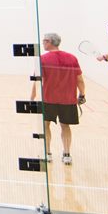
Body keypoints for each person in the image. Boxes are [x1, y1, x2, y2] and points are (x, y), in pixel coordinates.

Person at [30, 33, 85, 165]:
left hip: (49, 99)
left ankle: (47, 154)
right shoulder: (72, 58)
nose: (43, 43)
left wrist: (32, 98)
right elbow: (80, 80)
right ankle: (67, 154)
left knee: (45, 124)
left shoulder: (42, 59)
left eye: (44, 41)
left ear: (49, 42)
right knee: (65, 126)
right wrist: (82, 94)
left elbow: (37, 81)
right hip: (68, 99)